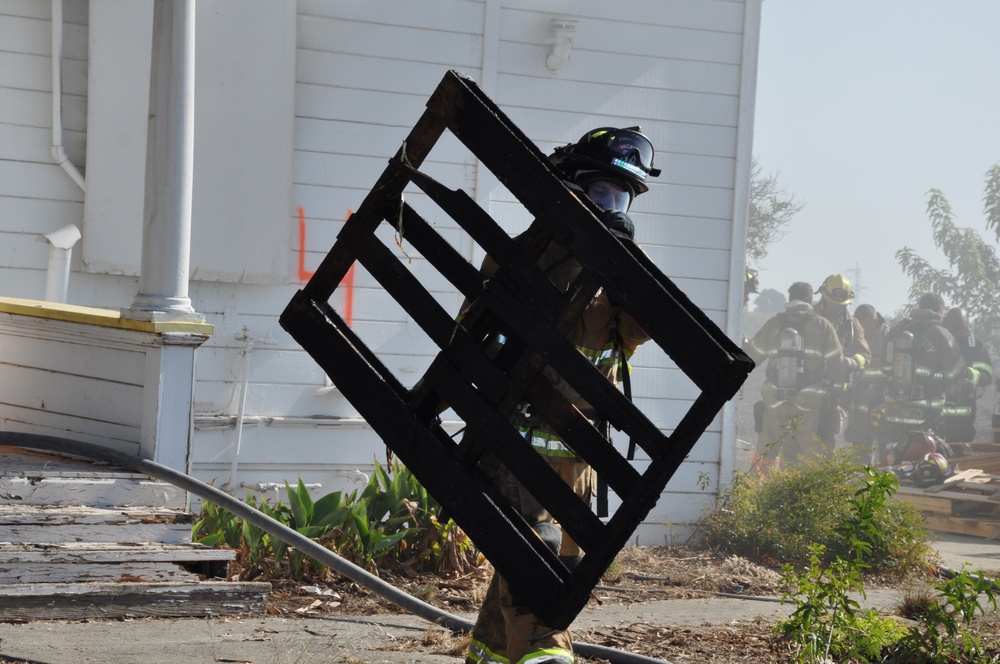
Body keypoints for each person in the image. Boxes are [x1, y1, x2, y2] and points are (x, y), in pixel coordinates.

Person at [463, 126, 660, 664]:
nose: (610, 208)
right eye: (600, 193)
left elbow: (641, 329)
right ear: (570, 189)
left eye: (620, 199)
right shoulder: (527, 255)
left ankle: (489, 651)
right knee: (538, 558)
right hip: (520, 442)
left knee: (560, 563)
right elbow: (483, 325)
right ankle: (546, 654)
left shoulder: (616, 270)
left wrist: (627, 263)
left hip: (579, 450)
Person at [743, 281, 846, 469]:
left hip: (775, 397)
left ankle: (757, 484)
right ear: (810, 299)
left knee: (766, 452)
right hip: (809, 400)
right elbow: (837, 365)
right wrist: (837, 393)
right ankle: (813, 487)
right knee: (812, 454)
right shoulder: (822, 325)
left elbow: (752, 357)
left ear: (789, 298)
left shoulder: (773, 324)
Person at [874, 293, 965, 457]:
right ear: (941, 310)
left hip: (895, 410)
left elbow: (884, 368)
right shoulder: (942, 334)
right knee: (925, 462)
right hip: (927, 415)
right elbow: (954, 374)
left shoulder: (896, 330)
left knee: (891, 458)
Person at [814, 274, 872, 442]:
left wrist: (852, 362)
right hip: (806, 388)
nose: (837, 308)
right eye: (833, 303)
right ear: (824, 297)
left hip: (834, 394)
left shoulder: (852, 325)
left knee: (824, 444)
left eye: (842, 305)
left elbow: (865, 355)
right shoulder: (809, 318)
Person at [941, 307, 994, 442]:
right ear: (946, 325)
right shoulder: (939, 341)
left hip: (964, 413)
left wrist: (967, 375)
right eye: (953, 328)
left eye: (960, 328)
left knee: (961, 447)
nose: (957, 333)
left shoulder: (975, 345)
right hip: (938, 414)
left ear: (967, 325)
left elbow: (987, 375)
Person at [843, 303, 889, 456]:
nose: (860, 330)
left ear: (874, 322)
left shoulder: (889, 337)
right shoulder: (853, 337)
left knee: (886, 446)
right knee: (860, 448)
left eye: (863, 326)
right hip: (859, 401)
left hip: (883, 401)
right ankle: (863, 473)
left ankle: (883, 472)